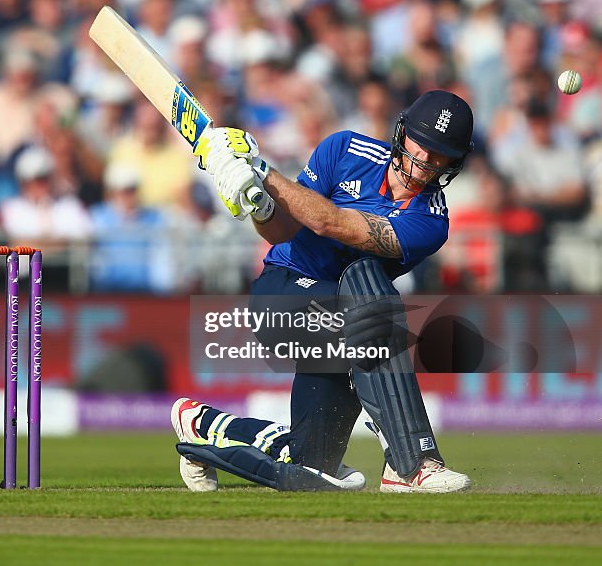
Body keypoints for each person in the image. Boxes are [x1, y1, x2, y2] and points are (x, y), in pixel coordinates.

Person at [174, 90, 475, 494]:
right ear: (402, 134)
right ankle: (411, 464)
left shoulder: (430, 221)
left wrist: (262, 169)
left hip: (344, 330)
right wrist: (258, 203)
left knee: (313, 465)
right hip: (282, 297)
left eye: (441, 156)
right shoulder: (344, 149)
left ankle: (204, 425)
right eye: (423, 146)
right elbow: (283, 230)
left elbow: (333, 224)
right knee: (373, 304)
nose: (427, 163)